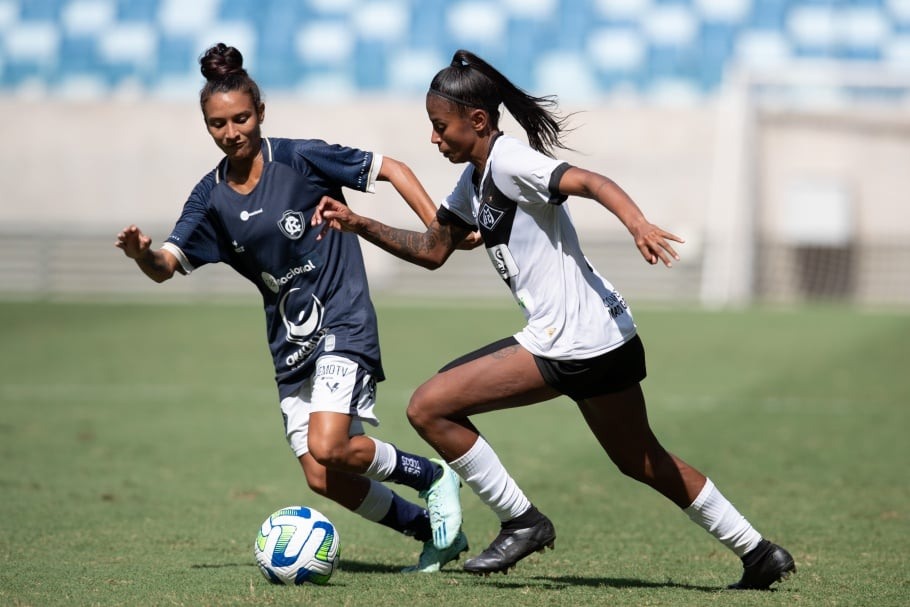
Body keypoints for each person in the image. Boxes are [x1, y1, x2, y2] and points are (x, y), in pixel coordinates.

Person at [311, 49, 796, 589]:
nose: (433, 138)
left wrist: (637, 223)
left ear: (477, 121)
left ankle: (522, 520)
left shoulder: (511, 162)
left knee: (429, 407)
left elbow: (588, 182)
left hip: (568, 341)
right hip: (608, 335)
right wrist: (359, 222)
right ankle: (758, 552)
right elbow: (434, 249)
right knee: (642, 460)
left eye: (439, 126)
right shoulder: (474, 182)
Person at [114, 43, 469, 573]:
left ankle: (434, 477)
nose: (232, 132)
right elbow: (167, 264)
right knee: (322, 475)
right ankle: (430, 532)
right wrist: (144, 254)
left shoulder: (300, 158)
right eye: (218, 124)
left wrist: (437, 228)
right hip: (289, 342)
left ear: (260, 113)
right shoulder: (209, 199)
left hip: (343, 319)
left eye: (241, 118)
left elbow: (389, 167)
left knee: (329, 446)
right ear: (206, 127)